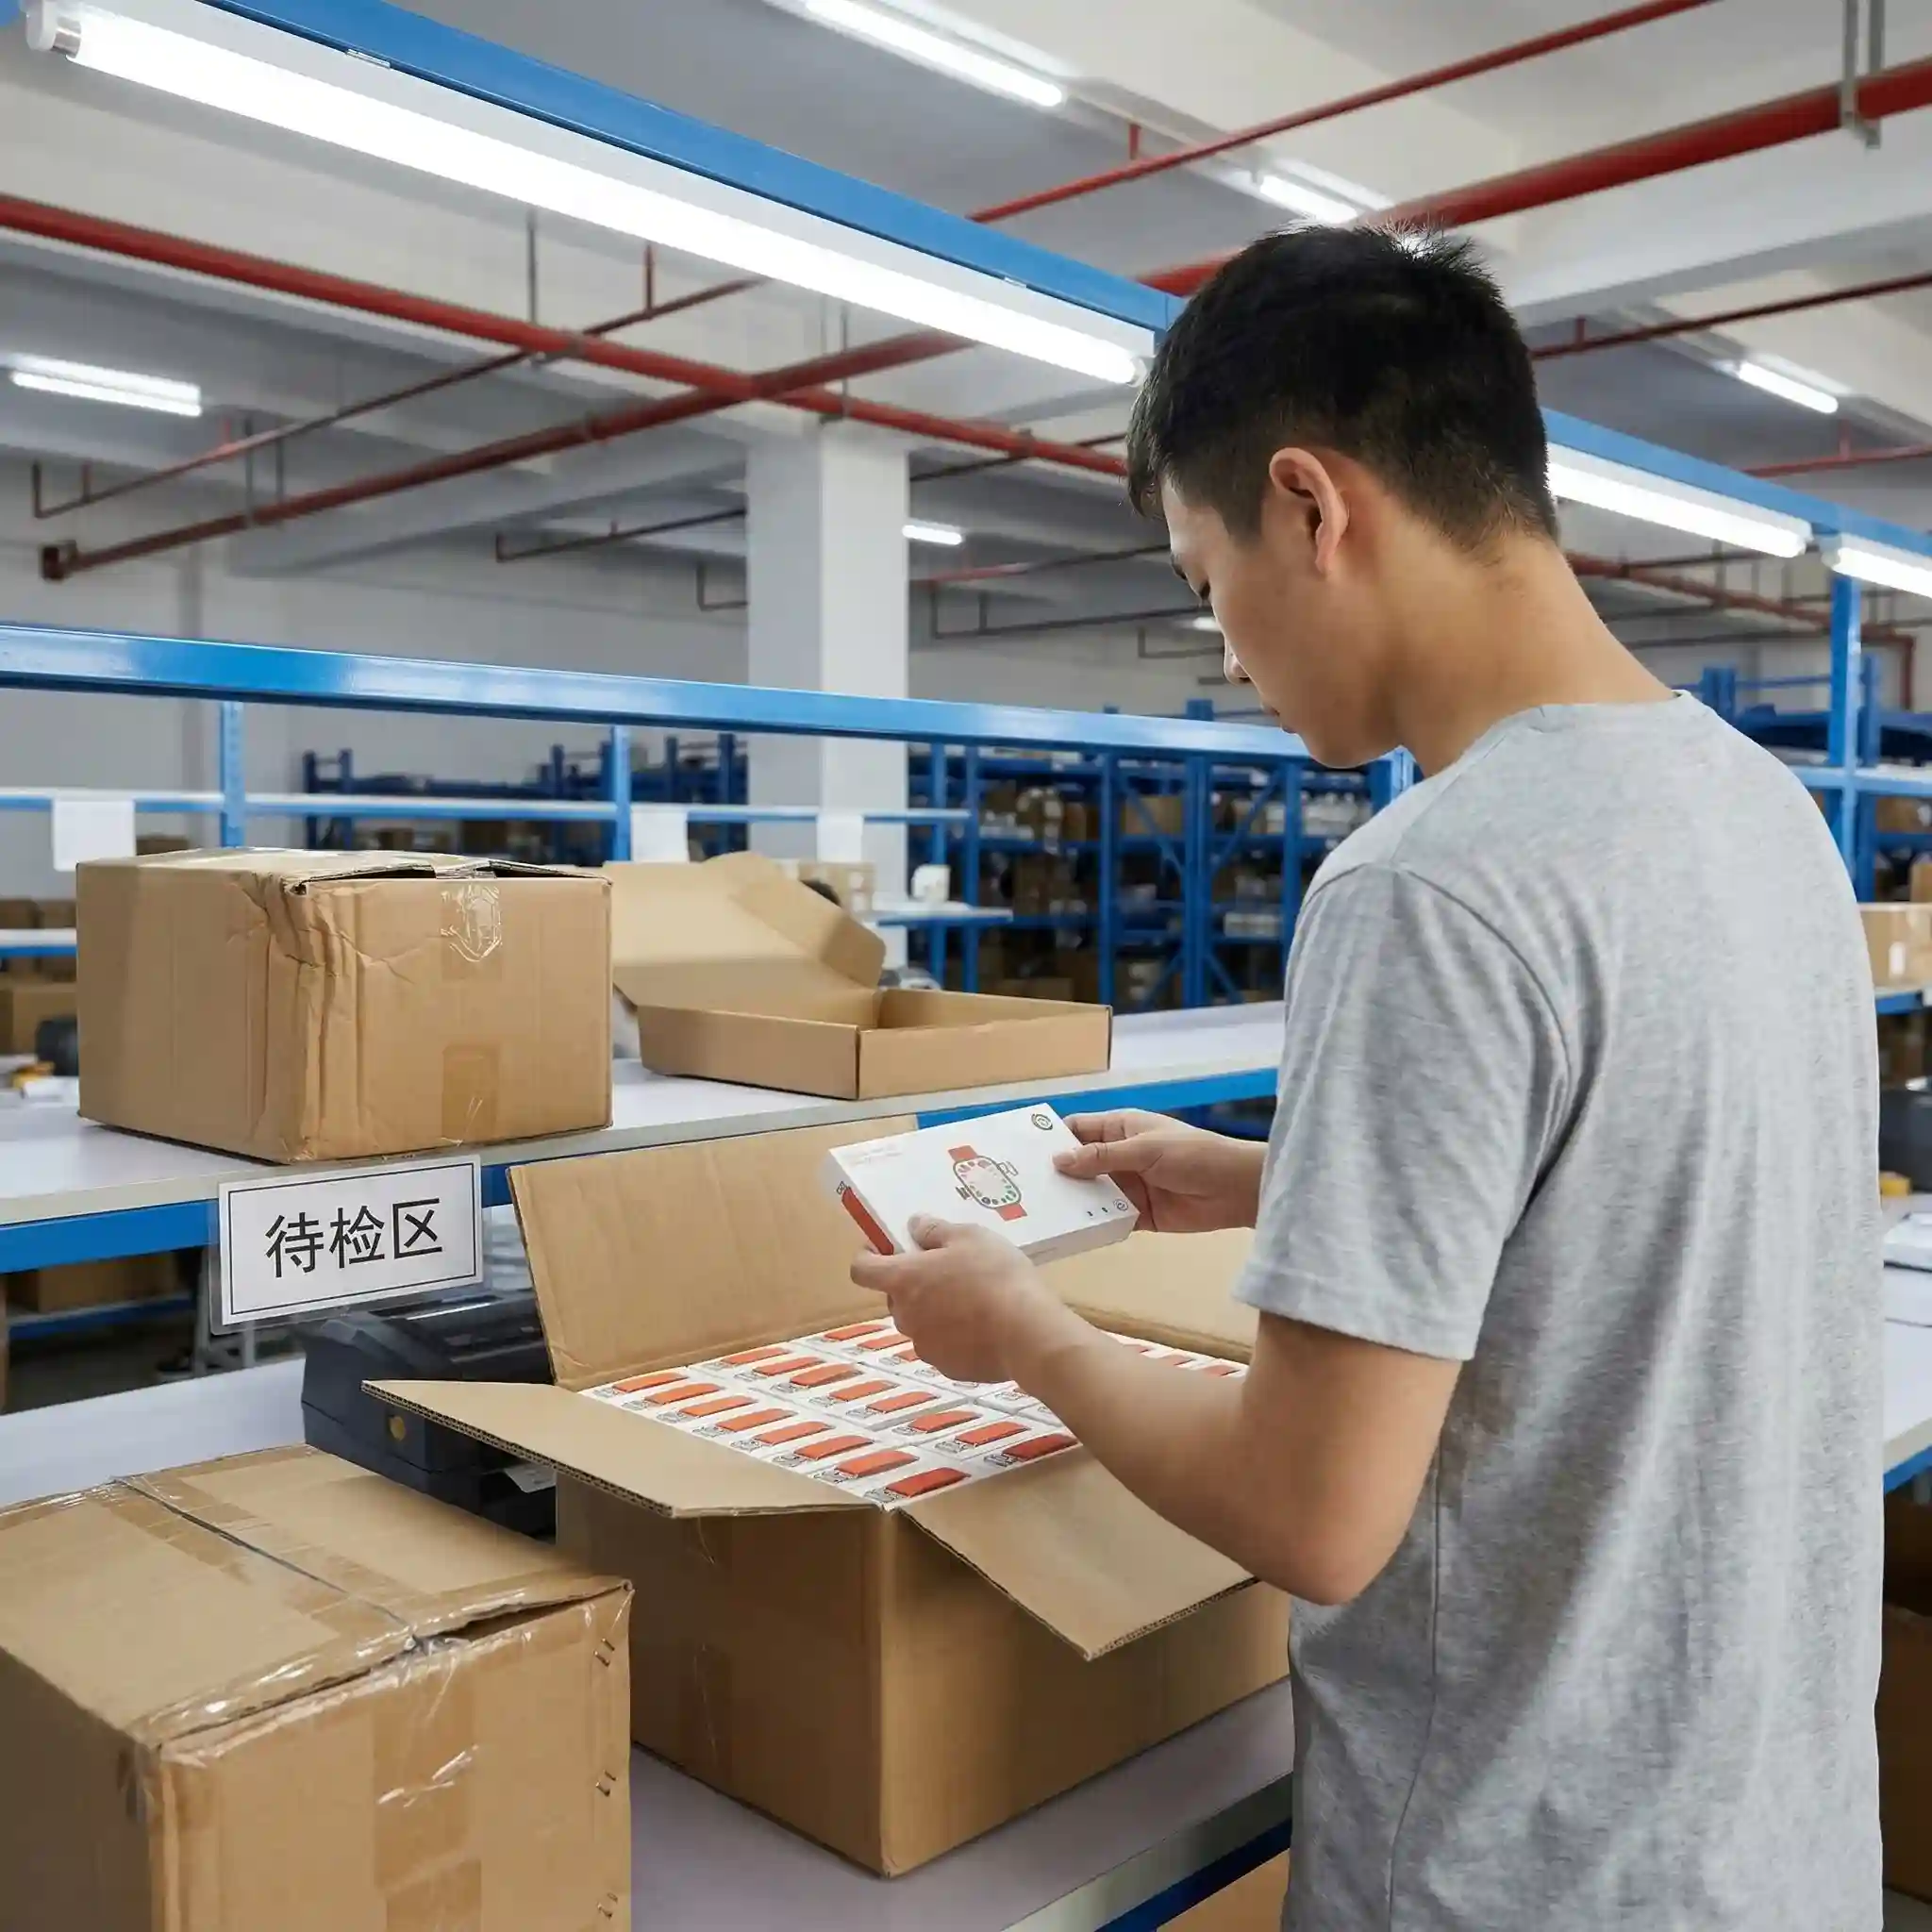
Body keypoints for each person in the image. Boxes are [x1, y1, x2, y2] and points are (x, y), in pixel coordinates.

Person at [851, 226, 1882, 1929]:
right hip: (1765, 1846)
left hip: (1528, 1868)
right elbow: (1647, 1186)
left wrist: (1022, 1334)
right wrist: (1289, 1179)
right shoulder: (1761, 814)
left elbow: (1311, 1512)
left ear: (1312, 509)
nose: (1227, 653)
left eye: (1204, 580)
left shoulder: (1430, 881)